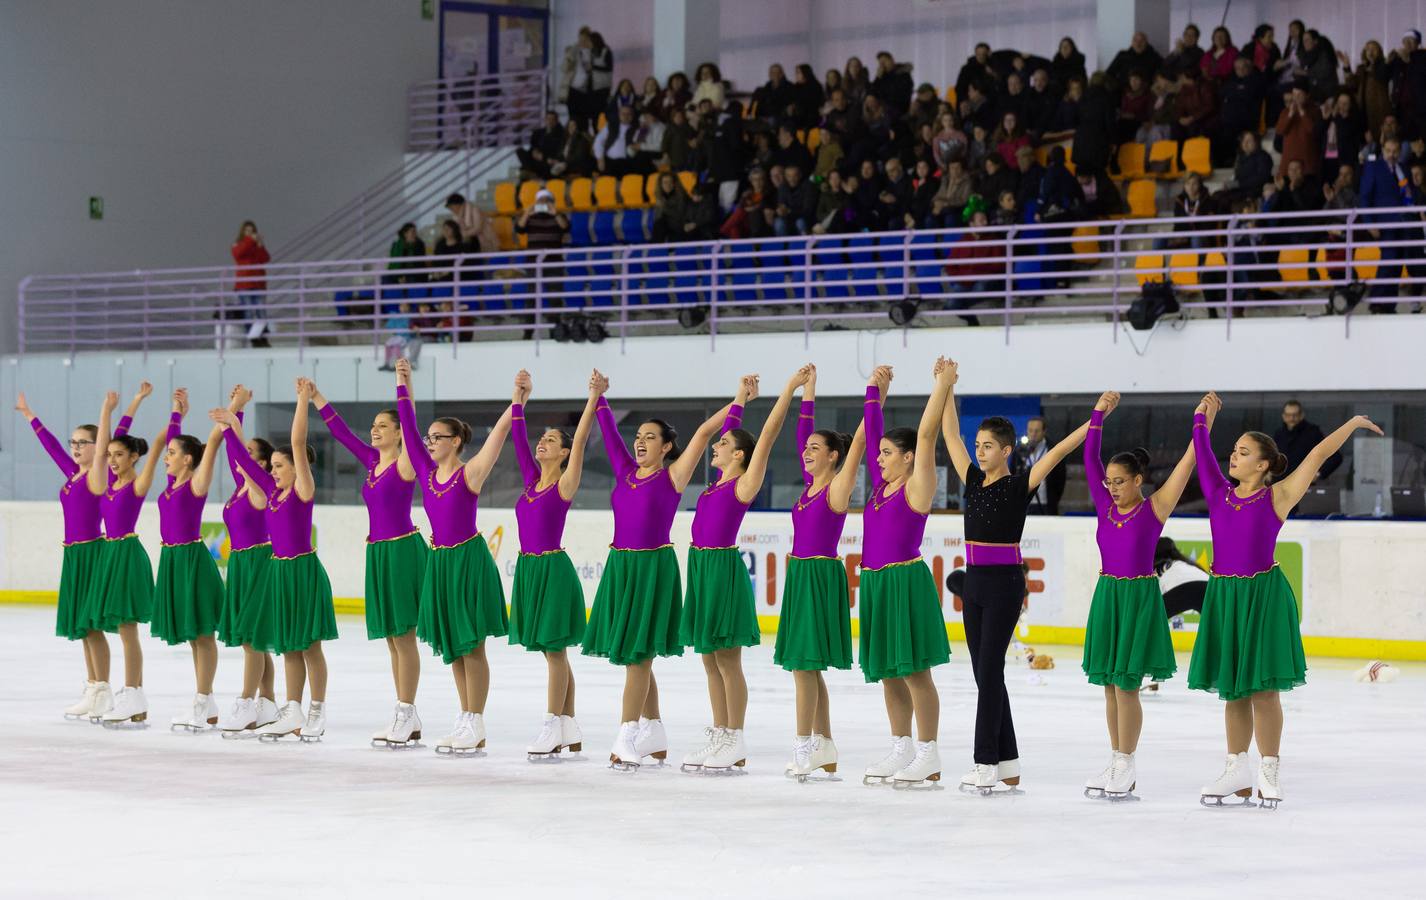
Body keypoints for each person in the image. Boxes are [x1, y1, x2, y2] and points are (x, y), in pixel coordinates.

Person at [1188, 392, 1382, 807]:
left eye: (1243, 452)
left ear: (1262, 464)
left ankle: (1269, 768)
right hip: (1225, 594)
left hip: (1263, 596)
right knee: (1233, 690)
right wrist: (1203, 417)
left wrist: (1351, 425)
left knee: (1263, 691)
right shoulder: (1218, 493)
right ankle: (1236, 768)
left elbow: (1315, 455)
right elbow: (1202, 453)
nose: (1233, 457)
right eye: (1234, 451)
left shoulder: (1277, 497)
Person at [941, 360, 1093, 793]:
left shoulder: (1020, 483)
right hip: (974, 583)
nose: (979, 450)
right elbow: (950, 435)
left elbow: (1060, 449)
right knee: (984, 673)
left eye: (987, 446)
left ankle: (985, 761)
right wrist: (947, 387)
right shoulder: (972, 479)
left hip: (1005, 583)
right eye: (979, 444)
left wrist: (1095, 419)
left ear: (1006, 450)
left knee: (989, 671)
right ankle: (1007, 761)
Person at [582, 376, 740, 770]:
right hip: (622, 567)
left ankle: (626, 734)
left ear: (666, 447)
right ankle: (652, 729)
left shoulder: (672, 477)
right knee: (636, 654)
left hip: (653, 569)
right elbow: (605, 425)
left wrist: (739, 400)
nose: (640, 441)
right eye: (638, 435)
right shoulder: (624, 471)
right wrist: (598, 394)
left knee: (639, 656)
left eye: (650, 437)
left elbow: (705, 433)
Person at [1080, 392, 1197, 800]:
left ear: (1137, 481)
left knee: (1127, 685)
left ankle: (1127, 762)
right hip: (1109, 596)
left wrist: (1203, 423)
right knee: (1111, 686)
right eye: (1108, 481)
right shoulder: (1104, 508)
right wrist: (1098, 414)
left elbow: (1186, 467)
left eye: (1119, 481)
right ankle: (1116, 758)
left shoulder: (1153, 510)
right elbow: (1089, 456)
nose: (1111, 487)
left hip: (1137, 599)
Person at [680, 370, 799, 774]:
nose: (717, 444)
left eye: (725, 444)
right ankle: (719, 731)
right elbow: (733, 428)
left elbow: (765, 436)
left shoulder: (743, 485)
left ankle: (736, 736)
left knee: (728, 660)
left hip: (722, 571)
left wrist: (788, 390)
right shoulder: (715, 483)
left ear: (740, 456)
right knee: (709, 659)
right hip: (700, 566)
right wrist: (740, 398)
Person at [394, 358, 512, 755]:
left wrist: (516, 402)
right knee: (453, 648)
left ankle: (475, 722)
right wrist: (403, 385)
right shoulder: (427, 474)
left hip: (467, 561)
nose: (430, 442)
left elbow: (497, 439)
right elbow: (408, 431)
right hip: (440, 562)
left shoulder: (470, 473)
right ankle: (465, 718)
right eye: (430, 437)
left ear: (456, 441)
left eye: (438, 437)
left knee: (471, 644)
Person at [14, 382, 149, 721]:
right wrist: (31, 416)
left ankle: (102, 688)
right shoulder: (74, 475)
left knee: (91, 625)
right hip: (74, 554)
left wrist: (124, 406)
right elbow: (52, 447)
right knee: (82, 625)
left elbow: (115, 436)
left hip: (92, 553)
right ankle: (94, 687)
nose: (74, 447)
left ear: (97, 447)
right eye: (73, 442)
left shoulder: (97, 477)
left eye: (82, 442)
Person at [212, 380, 337, 742]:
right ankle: (293, 708)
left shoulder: (302, 491)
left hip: (302, 570)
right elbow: (240, 462)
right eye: (275, 466)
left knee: (310, 645)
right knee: (289, 646)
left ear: (296, 468)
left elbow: (298, 442)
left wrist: (302, 400)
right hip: (279, 571)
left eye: (281, 466)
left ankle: (317, 709)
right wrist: (229, 425)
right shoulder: (270, 493)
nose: (275, 471)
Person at [308, 379, 427, 747]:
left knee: (404, 637)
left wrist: (403, 384)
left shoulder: (407, 462)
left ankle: (406, 711)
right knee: (392, 638)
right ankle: (407, 712)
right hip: (378, 551)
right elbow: (341, 433)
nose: (375, 430)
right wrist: (316, 396)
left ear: (399, 433)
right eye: (373, 426)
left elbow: (411, 424)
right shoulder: (373, 461)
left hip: (402, 552)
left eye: (383, 426)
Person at [858, 359, 955, 787]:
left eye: (886, 453)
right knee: (888, 671)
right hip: (877, 582)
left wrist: (941, 385)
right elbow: (873, 426)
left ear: (909, 457)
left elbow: (928, 433)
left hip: (904, 583)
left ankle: (928, 752)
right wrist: (875, 391)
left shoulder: (919, 485)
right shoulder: (881, 488)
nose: (877, 458)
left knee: (916, 671)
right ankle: (901, 747)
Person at [776, 363, 871, 780]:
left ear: (834, 456)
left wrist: (875, 398)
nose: (807, 451)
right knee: (807, 667)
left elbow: (860, 446)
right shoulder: (810, 484)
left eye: (817, 448)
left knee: (802, 665)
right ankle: (825, 745)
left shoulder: (836, 486)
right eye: (807, 448)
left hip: (818, 578)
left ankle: (803, 746)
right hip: (801, 577)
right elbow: (802, 432)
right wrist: (808, 388)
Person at [507, 370, 599, 758]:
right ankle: (569, 725)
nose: (542, 443)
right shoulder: (531, 480)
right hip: (529, 571)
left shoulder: (564, 484)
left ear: (563, 453)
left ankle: (552, 724)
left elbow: (579, 439)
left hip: (553, 572)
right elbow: (515, 436)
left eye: (551, 440)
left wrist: (593, 398)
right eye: (541, 439)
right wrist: (519, 396)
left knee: (556, 652)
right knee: (551, 653)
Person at [149, 390, 228, 732]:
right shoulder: (171, 483)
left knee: (203, 634)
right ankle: (205, 702)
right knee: (195, 637)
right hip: (172, 560)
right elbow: (173, 439)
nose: (166, 457)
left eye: (171, 454)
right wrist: (177, 412)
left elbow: (211, 447)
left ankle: (203, 698)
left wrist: (231, 414)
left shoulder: (196, 484)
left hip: (193, 562)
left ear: (187, 459)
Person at [87, 389, 166, 726]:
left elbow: (160, 443)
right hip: (109, 554)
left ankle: (132, 692)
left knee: (127, 629)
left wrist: (175, 415)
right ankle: (135, 698)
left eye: (120, 455)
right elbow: (109, 437)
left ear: (134, 457)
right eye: (110, 456)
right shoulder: (107, 484)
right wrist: (113, 408)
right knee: (121, 628)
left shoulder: (136, 484)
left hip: (127, 555)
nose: (113, 459)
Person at [213, 386, 280, 736]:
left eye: (253, 452)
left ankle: (246, 701)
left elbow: (236, 452)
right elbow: (234, 455)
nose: (243, 455)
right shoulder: (243, 487)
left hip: (258, 563)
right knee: (253, 640)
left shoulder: (261, 488)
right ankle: (267, 702)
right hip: (241, 564)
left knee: (253, 640)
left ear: (265, 462)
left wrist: (231, 420)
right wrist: (235, 411)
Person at [1358, 136, 1414, 312]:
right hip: (1384, 223)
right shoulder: (1373, 167)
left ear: (1399, 152)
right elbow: (1364, 197)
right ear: (1382, 150)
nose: (1391, 154)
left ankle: (1389, 304)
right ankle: (1376, 301)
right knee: (1389, 260)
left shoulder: (1403, 168)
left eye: (1395, 151)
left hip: (1403, 223)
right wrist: (1369, 223)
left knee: (1397, 263)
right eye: (1388, 151)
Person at [1273, 400, 1343, 480]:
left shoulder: (1312, 433)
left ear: (1301, 415)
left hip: (1303, 486)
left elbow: (1335, 457)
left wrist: (1318, 474)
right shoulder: (1279, 434)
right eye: (1288, 415)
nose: (1291, 418)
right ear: (1283, 416)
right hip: (1281, 485)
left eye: (1295, 415)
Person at [230, 221, 271, 348]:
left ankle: (262, 337)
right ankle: (253, 338)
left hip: (257, 284)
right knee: (248, 312)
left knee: (261, 312)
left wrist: (260, 246)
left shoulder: (253, 246)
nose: (250, 233)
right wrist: (250, 240)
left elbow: (265, 258)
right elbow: (239, 253)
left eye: (252, 230)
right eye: (247, 230)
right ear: (242, 232)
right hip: (244, 285)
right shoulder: (238, 245)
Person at [1018, 416, 1067, 514]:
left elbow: (1060, 478)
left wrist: (1054, 500)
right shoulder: (1019, 451)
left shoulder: (1054, 449)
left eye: (1037, 431)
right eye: (1030, 430)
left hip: (1047, 503)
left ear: (1044, 432)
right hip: (1025, 503)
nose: (1033, 434)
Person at [1155, 537, 1209, 622]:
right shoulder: (1184, 563)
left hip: (1187, 588)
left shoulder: (1161, 566)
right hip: (1209, 588)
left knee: (1151, 617)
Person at [516, 110, 565, 179]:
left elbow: (555, 150)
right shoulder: (539, 133)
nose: (550, 121)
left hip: (546, 161)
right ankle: (529, 170)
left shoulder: (560, 134)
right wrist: (534, 151)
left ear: (556, 121)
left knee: (525, 169)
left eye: (552, 119)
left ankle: (528, 171)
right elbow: (533, 146)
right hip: (536, 158)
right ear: (545, 120)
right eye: (548, 119)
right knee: (519, 151)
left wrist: (543, 157)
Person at [594, 104, 637, 177]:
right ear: (619, 115)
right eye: (623, 114)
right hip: (609, 161)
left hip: (627, 163)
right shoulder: (610, 126)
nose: (626, 116)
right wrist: (600, 158)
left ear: (632, 116)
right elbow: (598, 141)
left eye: (628, 114)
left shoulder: (636, 129)